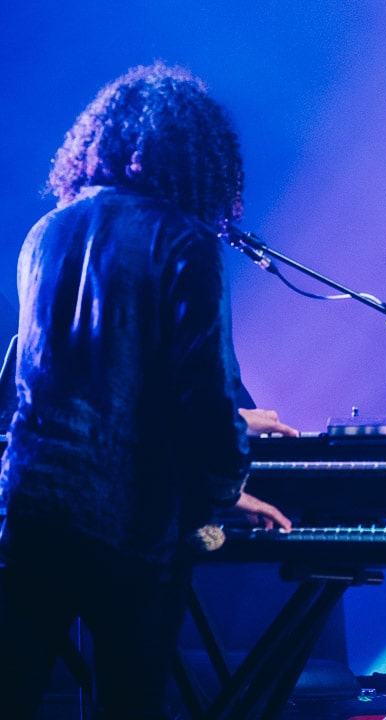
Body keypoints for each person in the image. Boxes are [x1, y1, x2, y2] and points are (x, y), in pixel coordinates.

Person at [0, 62, 293, 720]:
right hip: (129, 523)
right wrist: (222, 496)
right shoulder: (184, 241)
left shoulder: (44, 234)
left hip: (31, 511)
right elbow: (202, 397)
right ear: (197, 156)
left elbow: (38, 379)